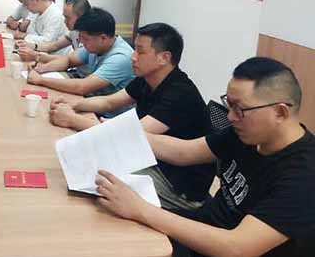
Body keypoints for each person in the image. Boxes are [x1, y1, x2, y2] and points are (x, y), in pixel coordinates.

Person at [96, 57, 315, 257]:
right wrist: (120, 133)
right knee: (108, 227)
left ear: (280, 112)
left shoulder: (304, 176)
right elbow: (183, 152)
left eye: (240, 109)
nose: (230, 117)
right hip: (202, 228)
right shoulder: (247, 133)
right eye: (229, 105)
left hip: (221, 247)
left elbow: (237, 247)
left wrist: (141, 210)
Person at [50, 22, 214, 210]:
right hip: (150, 160)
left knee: (96, 179)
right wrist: (72, 104)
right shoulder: (147, 79)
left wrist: (72, 119)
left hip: (177, 185)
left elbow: (131, 136)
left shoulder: (180, 93)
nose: (133, 57)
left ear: (164, 58)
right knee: (84, 161)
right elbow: (109, 102)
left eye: (140, 51)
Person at [27, 7, 134, 98]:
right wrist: (41, 68)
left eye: (85, 39)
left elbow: (82, 87)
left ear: (103, 38)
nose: (82, 42)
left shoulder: (120, 57)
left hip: (107, 113)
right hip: (92, 100)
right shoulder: (95, 46)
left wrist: (40, 80)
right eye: (81, 37)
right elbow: (68, 60)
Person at [17, 0, 91, 63]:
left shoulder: (90, 38)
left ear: (81, 18)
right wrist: (30, 45)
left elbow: (69, 60)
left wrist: (36, 56)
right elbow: (54, 46)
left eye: (67, 18)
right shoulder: (74, 32)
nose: (65, 21)